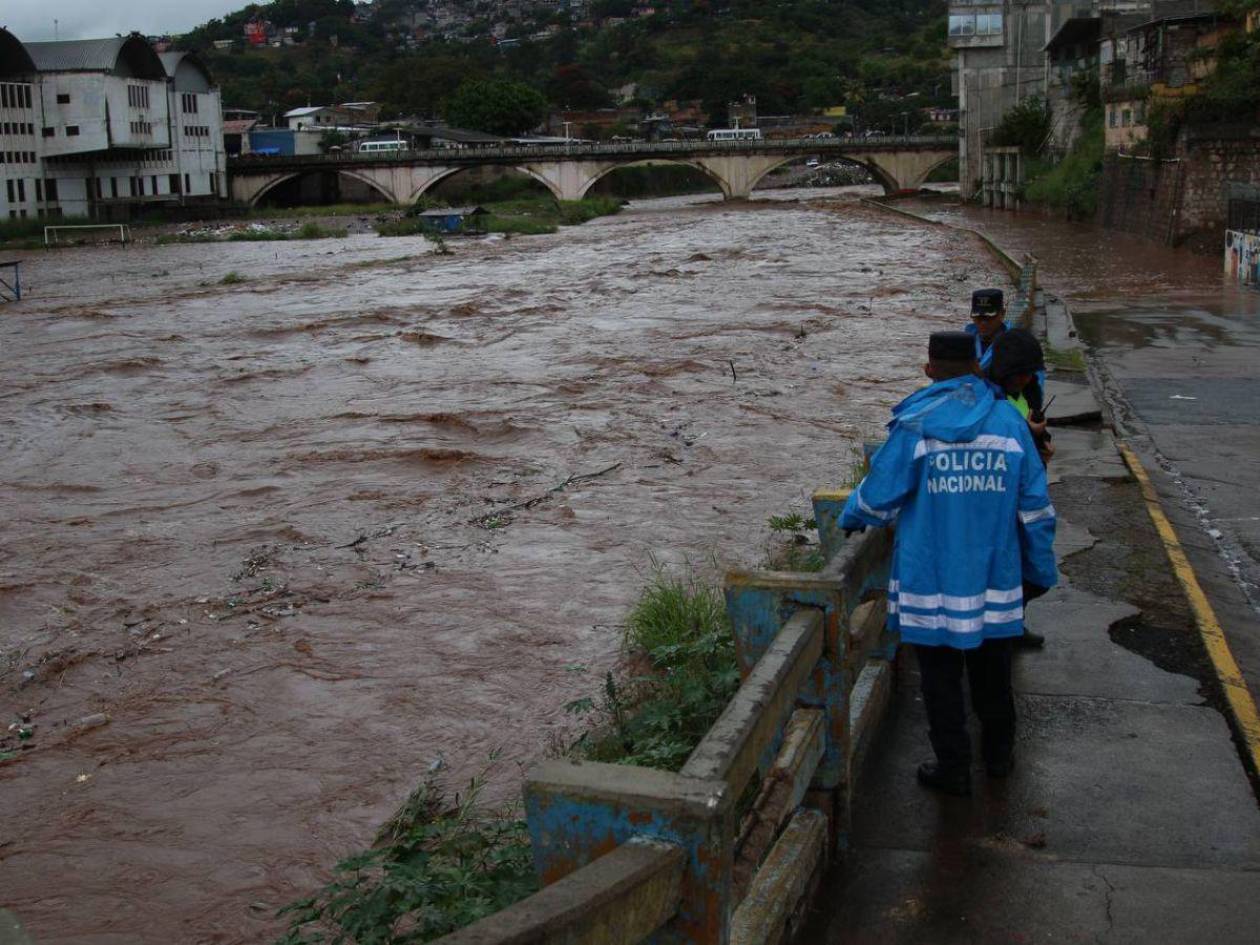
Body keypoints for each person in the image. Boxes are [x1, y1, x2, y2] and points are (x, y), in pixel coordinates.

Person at [840, 331, 1057, 796]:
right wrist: (1039, 571)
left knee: (939, 680)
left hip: (929, 580)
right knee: (993, 676)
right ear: (978, 368)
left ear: (929, 370)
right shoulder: (1009, 422)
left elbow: (877, 500)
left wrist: (849, 516)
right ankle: (999, 758)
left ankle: (953, 767)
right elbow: (1035, 508)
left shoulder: (915, 424)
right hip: (995, 580)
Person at [965, 288, 1010, 371]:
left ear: (1002, 314)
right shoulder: (964, 343)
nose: (983, 323)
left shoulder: (1015, 344)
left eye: (989, 317)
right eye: (979, 317)